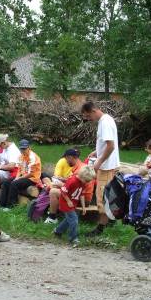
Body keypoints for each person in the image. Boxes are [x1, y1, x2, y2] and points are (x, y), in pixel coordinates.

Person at [81, 101, 120, 237]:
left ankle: (100, 228)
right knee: (109, 195)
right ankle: (111, 221)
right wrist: (96, 152)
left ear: (93, 110)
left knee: (102, 198)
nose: (88, 119)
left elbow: (111, 146)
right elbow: (106, 144)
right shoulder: (106, 120)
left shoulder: (105, 123)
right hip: (108, 165)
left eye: (87, 116)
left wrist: (99, 162)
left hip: (106, 167)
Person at [53, 166, 96, 247]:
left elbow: (82, 194)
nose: (87, 182)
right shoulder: (72, 181)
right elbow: (63, 191)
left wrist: (83, 207)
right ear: (82, 176)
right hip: (65, 202)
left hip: (73, 203)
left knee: (68, 219)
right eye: (86, 180)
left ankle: (57, 231)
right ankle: (73, 238)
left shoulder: (83, 183)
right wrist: (68, 201)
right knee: (74, 220)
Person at [45, 148, 86, 224]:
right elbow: (74, 183)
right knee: (54, 186)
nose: (66, 161)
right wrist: (63, 180)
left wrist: (61, 184)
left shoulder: (79, 170)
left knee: (53, 191)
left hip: (80, 196)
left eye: (66, 159)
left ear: (70, 157)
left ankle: (52, 217)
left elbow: (75, 187)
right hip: (78, 194)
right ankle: (51, 212)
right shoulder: (79, 166)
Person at [0, 139, 42, 209]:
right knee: (6, 182)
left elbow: (31, 174)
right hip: (23, 176)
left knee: (14, 184)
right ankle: (2, 204)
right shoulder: (20, 156)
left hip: (32, 178)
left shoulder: (33, 157)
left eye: (25, 148)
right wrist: (17, 177)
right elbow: (19, 169)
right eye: (22, 149)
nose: (23, 150)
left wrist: (19, 178)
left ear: (29, 148)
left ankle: (10, 206)